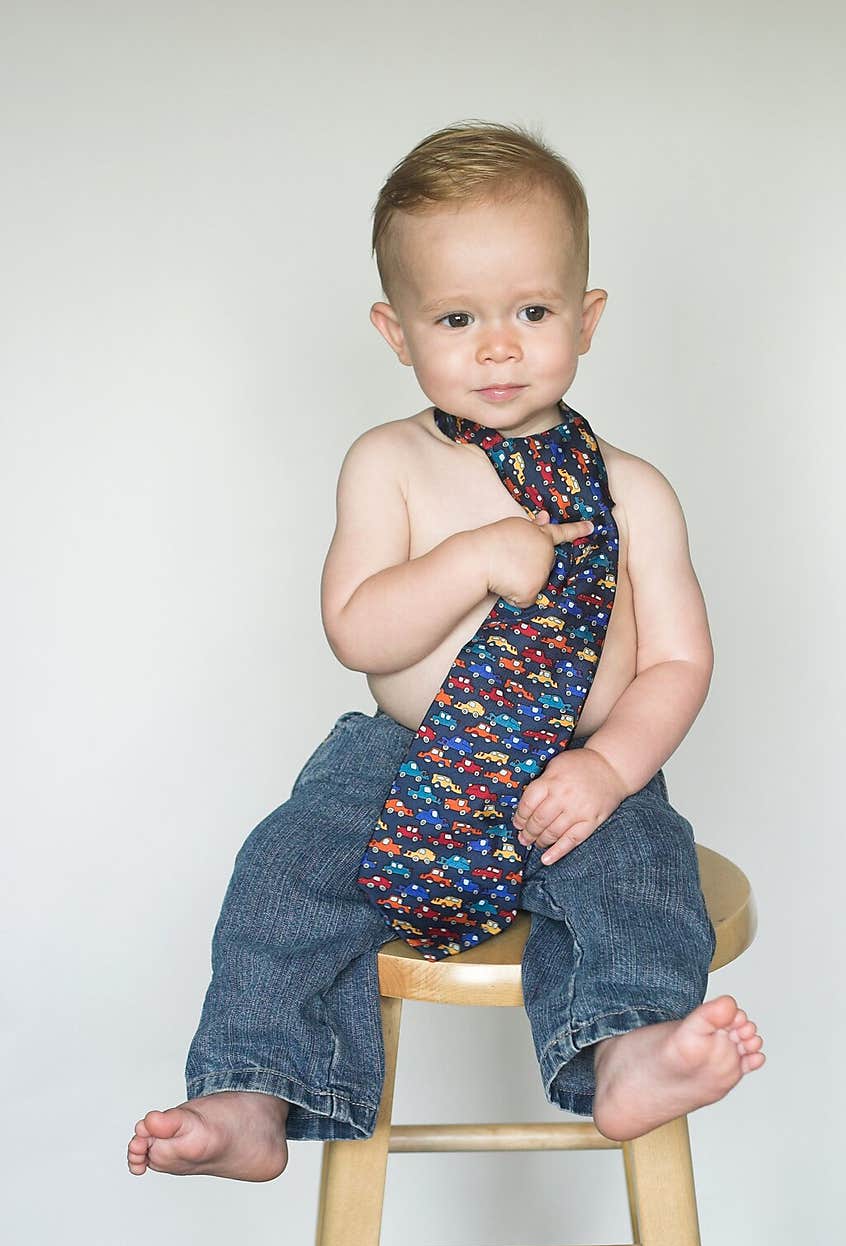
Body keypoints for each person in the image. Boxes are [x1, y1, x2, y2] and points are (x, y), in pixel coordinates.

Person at [127, 119, 765, 1182]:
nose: (499, 345)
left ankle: (631, 1044)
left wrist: (607, 770)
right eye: (457, 317)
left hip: (574, 771)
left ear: (586, 316)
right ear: (396, 331)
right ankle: (251, 1087)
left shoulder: (635, 490)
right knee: (282, 872)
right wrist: (468, 560)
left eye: (531, 310)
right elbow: (356, 630)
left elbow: (677, 662)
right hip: (399, 759)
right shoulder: (388, 463)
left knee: (643, 871)